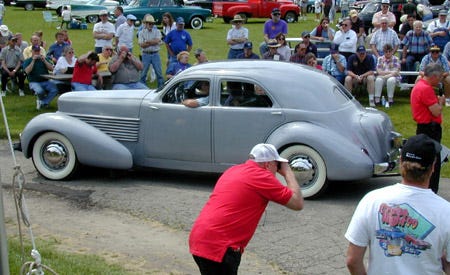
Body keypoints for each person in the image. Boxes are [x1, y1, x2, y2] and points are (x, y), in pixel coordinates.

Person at [189, 143, 304, 274]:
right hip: (220, 248)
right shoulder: (262, 176)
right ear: (268, 164)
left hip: (200, 239)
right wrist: (287, 172)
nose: (277, 171)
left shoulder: (233, 170)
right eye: (277, 166)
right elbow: (297, 203)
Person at [345, 133, 450, 275]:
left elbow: (352, 260)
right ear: (433, 167)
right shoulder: (445, 211)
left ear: (400, 163)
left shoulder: (371, 200)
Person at [410, 63, 445, 194]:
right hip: (430, 128)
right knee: (433, 160)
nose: (440, 80)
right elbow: (436, 111)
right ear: (434, 76)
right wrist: (440, 102)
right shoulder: (426, 89)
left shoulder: (419, 85)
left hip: (423, 127)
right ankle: (432, 189)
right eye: (440, 77)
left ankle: (424, 187)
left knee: (424, 159)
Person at [23, 45, 58, 110]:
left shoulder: (44, 59)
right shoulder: (28, 60)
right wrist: (33, 61)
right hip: (34, 82)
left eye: (38, 51)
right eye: (35, 51)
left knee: (55, 90)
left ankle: (43, 102)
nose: (37, 52)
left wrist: (44, 61)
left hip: (45, 81)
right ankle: (43, 103)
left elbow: (51, 69)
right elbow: (27, 71)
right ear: (32, 51)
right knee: (40, 91)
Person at [138, 14, 164, 88]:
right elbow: (141, 45)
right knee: (143, 73)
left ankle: (161, 87)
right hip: (145, 54)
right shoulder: (141, 33)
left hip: (155, 54)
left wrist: (147, 42)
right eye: (149, 23)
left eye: (152, 23)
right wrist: (153, 42)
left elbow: (158, 40)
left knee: (159, 72)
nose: (150, 25)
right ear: (145, 24)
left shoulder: (157, 31)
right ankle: (142, 87)